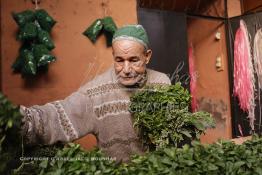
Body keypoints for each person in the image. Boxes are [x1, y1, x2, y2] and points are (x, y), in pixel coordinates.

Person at [20, 25, 171, 162]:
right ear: (113, 56)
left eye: (133, 60)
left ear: (147, 56)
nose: (126, 69)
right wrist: (22, 119)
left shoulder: (161, 84)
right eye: (119, 60)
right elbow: (60, 116)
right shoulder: (95, 92)